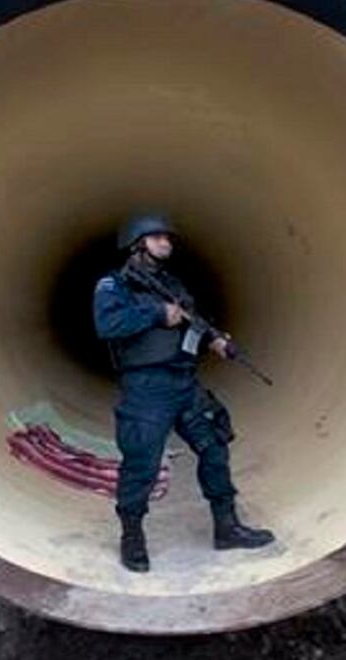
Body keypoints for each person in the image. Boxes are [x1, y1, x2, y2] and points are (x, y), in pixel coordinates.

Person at [93, 214, 275, 573]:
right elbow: (108, 324)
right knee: (141, 465)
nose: (166, 243)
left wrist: (215, 340)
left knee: (214, 446)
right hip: (146, 388)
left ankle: (227, 527)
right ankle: (132, 537)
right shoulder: (114, 285)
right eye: (157, 237)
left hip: (184, 382)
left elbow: (192, 320)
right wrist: (157, 313)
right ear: (137, 243)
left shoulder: (172, 284)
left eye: (167, 238)